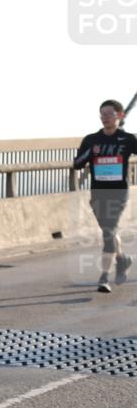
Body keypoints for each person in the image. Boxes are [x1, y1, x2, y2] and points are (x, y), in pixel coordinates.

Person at [73, 99, 136, 293]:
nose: (104, 118)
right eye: (102, 114)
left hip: (119, 192)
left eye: (109, 114)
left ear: (120, 115)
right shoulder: (91, 140)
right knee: (110, 231)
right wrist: (91, 153)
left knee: (108, 232)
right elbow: (77, 164)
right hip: (98, 193)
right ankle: (122, 259)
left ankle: (104, 277)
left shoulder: (127, 139)